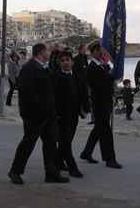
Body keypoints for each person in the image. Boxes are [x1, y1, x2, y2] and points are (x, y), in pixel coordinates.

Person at [8, 43, 69, 185]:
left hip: (49, 114)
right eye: (48, 50)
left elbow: (52, 89)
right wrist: (42, 107)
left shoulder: (45, 68)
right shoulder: (29, 69)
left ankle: (52, 174)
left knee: (50, 144)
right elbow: (27, 92)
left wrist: (55, 109)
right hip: (34, 115)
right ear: (41, 52)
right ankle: (15, 171)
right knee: (28, 142)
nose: (50, 53)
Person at [79, 40, 122, 169]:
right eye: (98, 51)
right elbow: (100, 84)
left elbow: (107, 80)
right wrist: (112, 77)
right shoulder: (92, 68)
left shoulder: (103, 66)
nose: (101, 53)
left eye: (101, 50)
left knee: (98, 129)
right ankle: (109, 158)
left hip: (106, 101)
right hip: (99, 103)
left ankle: (86, 153)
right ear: (92, 53)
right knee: (105, 131)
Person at [55, 51, 90, 178]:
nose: (65, 62)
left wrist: (85, 109)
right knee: (65, 142)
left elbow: (82, 93)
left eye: (67, 60)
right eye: (62, 60)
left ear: (72, 62)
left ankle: (58, 162)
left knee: (67, 140)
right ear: (59, 63)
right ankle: (72, 167)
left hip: (74, 114)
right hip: (61, 115)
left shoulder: (76, 76)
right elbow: (54, 98)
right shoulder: (56, 77)